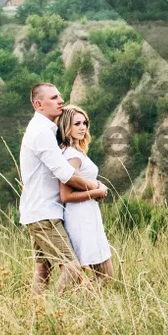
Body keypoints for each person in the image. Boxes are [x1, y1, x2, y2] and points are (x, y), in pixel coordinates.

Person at [18, 83, 99, 295]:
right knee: (71, 267)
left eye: (59, 96)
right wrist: (96, 188)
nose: (60, 100)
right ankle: (55, 311)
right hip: (45, 214)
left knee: (43, 271)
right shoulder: (41, 132)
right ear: (39, 104)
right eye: (54, 98)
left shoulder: (42, 130)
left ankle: (36, 315)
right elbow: (66, 174)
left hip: (37, 212)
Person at [56, 106, 113, 281]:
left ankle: (80, 305)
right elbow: (66, 196)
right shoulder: (71, 156)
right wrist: (97, 192)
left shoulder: (74, 152)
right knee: (105, 275)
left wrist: (96, 189)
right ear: (66, 127)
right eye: (77, 124)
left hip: (88, 215)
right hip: (81, 218)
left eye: (85, 123)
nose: (83, 127)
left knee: (102, 275)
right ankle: (69, 304)